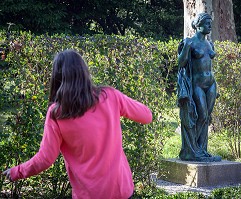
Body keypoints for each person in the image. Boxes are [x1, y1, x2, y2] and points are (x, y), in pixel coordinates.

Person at [2, 49, 152, 199]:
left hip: (88, 194)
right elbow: (146, 116)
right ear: (84, 72)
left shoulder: (57, 113)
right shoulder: (110, 96)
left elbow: (46, 158)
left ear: (57, 78)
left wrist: (17, 171)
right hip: (121, 191)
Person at [177, 13, 221, 162]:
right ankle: (192, 150)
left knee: (207, 117)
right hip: (197, 85)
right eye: (207, 23)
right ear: (198, 25)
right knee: (200, 115)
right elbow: (181, 63)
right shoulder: (190, 42)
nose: (210, 25)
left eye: (210, 23)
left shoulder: (210, 44)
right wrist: (186, 48)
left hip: (211, 84)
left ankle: (202, 150)